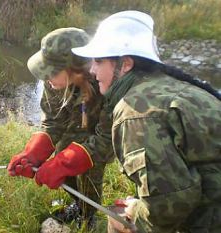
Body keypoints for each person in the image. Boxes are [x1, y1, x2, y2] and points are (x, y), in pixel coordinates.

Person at [34, 11, 221, 232]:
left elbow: (169, 207)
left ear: (125, 64)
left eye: (99, 61)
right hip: (207, 194)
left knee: (117, 218)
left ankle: (93, 215)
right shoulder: (167, 86)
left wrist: (134, 210)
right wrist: (36, 150)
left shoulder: (135, 111)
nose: (92, 70)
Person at [7, 27, 114, 229]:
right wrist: (33, 153)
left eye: (53, 71)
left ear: (76, 68)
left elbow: (106, 140)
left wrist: (66, 163)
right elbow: (53, 121)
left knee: (90, 168)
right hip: (78, 126)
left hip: (104, 134)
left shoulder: (106, 83)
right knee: (62, 149)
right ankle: (79, 204)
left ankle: (89, 213)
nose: (46, 77)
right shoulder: (53, 82)